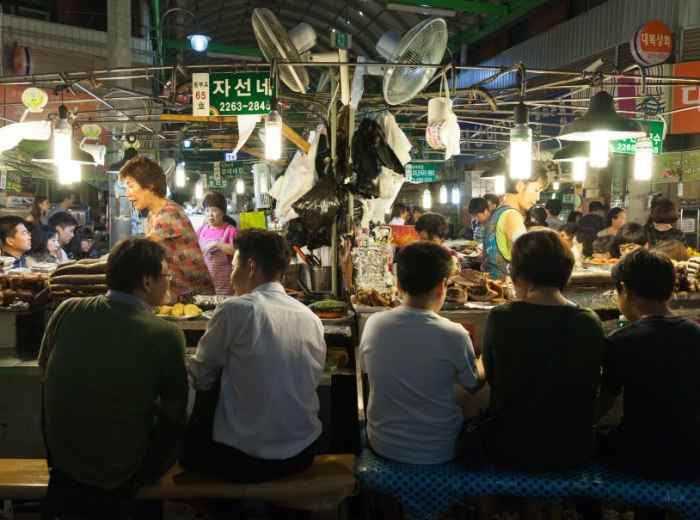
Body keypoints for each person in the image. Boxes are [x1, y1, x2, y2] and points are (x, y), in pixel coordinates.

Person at [39, 238, 188, 518]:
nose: (170, 283)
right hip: (125, 482)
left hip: (64, 474)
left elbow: (44, 373)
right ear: (146, 282)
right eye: (166, 276)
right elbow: (175, 412)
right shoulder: (165, 334)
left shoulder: (67, 310)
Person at [184, 230, 326, 483]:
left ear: (250, 266)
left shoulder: (235, 309)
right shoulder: (311, 318)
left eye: (234, 265)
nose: (231, 273)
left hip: (244, 458)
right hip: (304, 452)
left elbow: (201, 377)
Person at [482, 230, 605, 470]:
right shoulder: (589, 322)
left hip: (508, 448)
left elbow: (494, 378)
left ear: (519, 274)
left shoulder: (501, 318)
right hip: (572, 451)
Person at [361, 241, 481, 464]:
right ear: (442, 286)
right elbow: (472, 384)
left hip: (383, 445)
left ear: (398, 284)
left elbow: (367, 370)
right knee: (474, 394)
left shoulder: (374, 324)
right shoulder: (454, 334)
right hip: (441, 452)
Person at [597, 249, 700, 479]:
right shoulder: (695, 333)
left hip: (640, 457)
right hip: (692, 456)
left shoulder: (620, 341)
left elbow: (605, 402)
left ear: (624, 289)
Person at [119, 156, 214, 301]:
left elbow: (137, 251)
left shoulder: (169, 213)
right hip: (178, 296)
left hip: (197, 299)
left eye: (131, 186)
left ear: (150, 185)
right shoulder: (153, 215)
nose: (127, 193)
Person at [483, 167, 548, 279]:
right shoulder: (512, 215)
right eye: (536, 190)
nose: (537, 198)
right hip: (509, 290)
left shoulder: (498, 212)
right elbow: (530, 258)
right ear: (520, 186)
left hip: (495, 285)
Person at [197, 192, 237, 296]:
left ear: (223, 212)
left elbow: (237, 252)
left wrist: (217, 244)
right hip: (205, 282)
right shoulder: (202, 230)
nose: (210, 214)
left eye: (214, 210)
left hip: (224, 284)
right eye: (207, 210)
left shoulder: (230, 230)